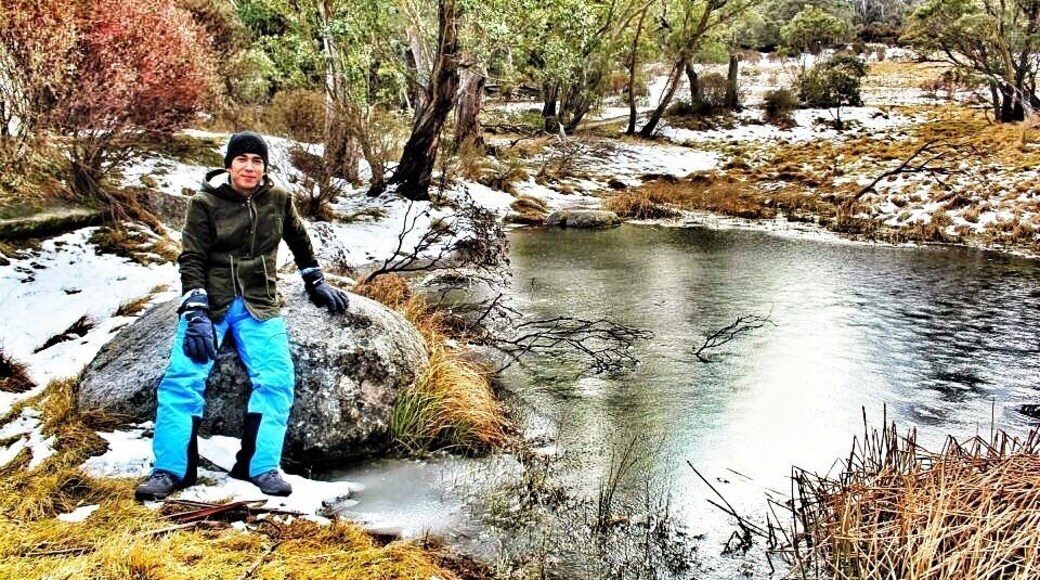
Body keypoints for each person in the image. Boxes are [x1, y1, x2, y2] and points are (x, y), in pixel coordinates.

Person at [135, 132, 349, 501]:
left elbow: (299, 239)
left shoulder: (279, 200)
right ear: (229, 164)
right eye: (242, 160)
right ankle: (171, 470)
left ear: (265, 168)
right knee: (182, 378)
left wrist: (314, 279)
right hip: (212, 304)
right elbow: (192, 257)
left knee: (277, 379)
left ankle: (259, 465)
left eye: (257, 161)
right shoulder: (204, 203)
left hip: (259, 304)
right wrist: (196, 308)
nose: (249, 167)